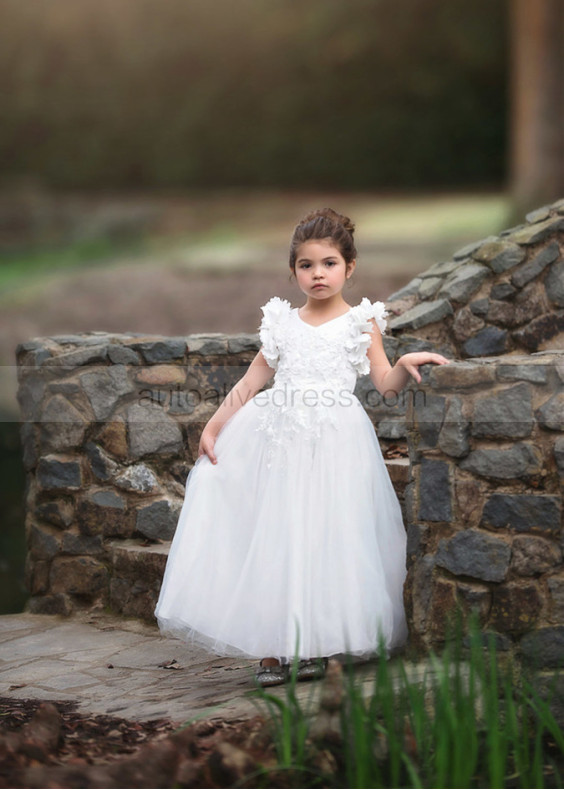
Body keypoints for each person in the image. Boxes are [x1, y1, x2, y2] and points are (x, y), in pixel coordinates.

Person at [154, 208, 450, 687]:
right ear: (293, 271)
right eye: (307, 265)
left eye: (329, 263)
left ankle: (313, 643)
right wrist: (214, 425)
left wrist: (405, 361)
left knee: (325, 534)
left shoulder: (362, 321)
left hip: (335, 440)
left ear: (349, 268)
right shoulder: (282, 322)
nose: (318, 274)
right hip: (279, 436)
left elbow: (384, 383)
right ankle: (273, 649)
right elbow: (253, 378)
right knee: (279, 535)